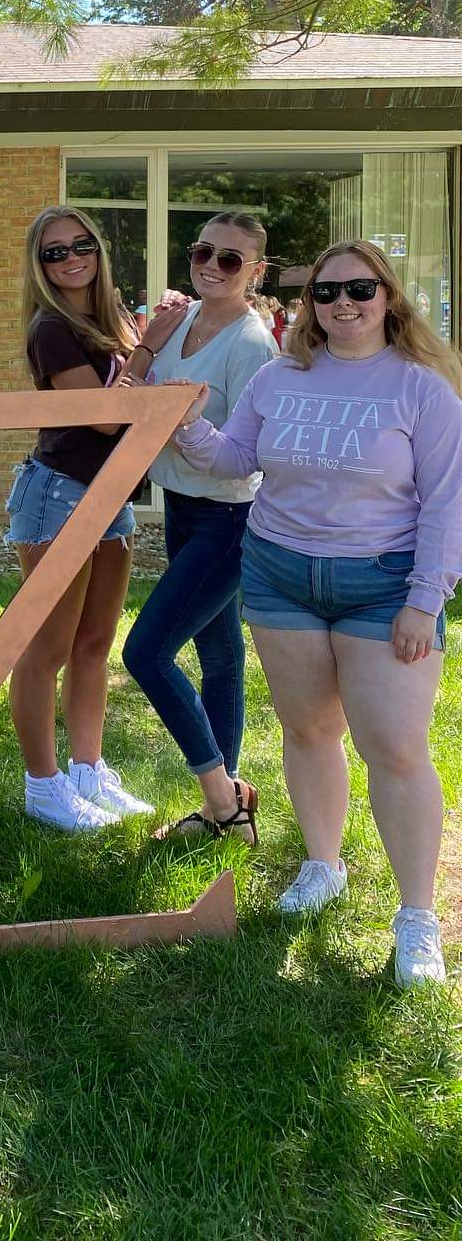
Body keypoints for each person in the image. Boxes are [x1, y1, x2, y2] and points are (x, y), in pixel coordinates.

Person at [171, 239, 462, 988]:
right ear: (309, 305)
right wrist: (184, 424)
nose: (342, 305)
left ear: (389, 297)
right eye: (326, 294)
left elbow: (446, 507)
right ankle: (322, 866)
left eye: (359, 290)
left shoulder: (423, 388)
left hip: (384, 583)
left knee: (393, 747)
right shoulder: (281, 374)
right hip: (278, 576)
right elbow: (238, 459)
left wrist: (424, 602)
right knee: (307, 730)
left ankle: (416, 918)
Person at [120, 212, 276, 843]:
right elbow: (132, 394)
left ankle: (223, 796)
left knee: (146, 653)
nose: (212, 265)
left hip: (229, 517)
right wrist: (149, 345)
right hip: (183, 506)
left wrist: (177, 423)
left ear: (256, 271)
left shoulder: (252, 343)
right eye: (202, 251)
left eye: (231, 259)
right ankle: (226, 812)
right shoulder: (179, 318)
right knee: (219, 653)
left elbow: (249, 448)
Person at [6, 205, 155, 832]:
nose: (70, 260)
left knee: (95, 645)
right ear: (39, 268)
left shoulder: (114, 319)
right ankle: (42, 785)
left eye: (81, 246)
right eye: (54, 253)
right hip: (60, 494)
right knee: (49, 648)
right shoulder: (51, 328)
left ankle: (88, 770)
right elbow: (103, 416)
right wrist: (150, 346)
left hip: (112, 493)